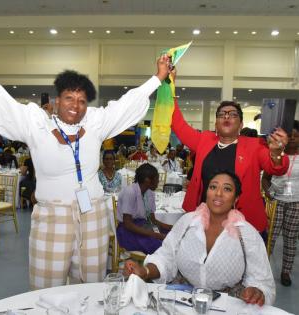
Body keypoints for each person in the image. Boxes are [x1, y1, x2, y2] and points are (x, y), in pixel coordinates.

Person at [0, 23, 171, 289]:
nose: (76, 105)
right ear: (56, 99)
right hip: (52, 218)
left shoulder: (96, 121)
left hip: (93, 215)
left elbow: (128, 103)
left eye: (82, 100)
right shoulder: (36, 123)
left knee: (90, 287)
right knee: (45, 289)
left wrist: (157, 77)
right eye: (69, 98)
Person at [124, 170, 275, 306]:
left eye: (227, 189)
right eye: (213, 187)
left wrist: (257, 292)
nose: (218, 193)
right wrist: (145, 271)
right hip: (182, 299)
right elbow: (166, 257)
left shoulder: (246, 234)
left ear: (236, 198)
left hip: (229, 303)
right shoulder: (188, 222)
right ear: (207, 192)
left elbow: (262, 280)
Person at [170, 74, 289, 234]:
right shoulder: (204, 139)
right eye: (221, 114)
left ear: (241, 124)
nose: (226, 116)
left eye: (233, 114)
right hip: (205, 220)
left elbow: (277, 169)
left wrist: (277, 153)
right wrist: (169, 85)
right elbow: (178, 124)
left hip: (243, 224)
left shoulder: (255, 146)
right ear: (216, 124)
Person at [262, 120, 299, 287]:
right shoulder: (275, 153)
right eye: (289, 136)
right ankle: (263, 270)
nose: (291, 139)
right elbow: (265, 178)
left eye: (295, 136)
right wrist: (268, 193)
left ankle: (286, 271)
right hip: (276, 201)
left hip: (296, 203)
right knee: (270, 237)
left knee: (290, 239)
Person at [116, 163, 165, 254]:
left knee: (169, 236)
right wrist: (154, 234)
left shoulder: (149, 193)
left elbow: (152, 220)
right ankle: (155, 265)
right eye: (156, 179)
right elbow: (127, 224)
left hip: (144, 226)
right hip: (128, 231)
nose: (158, 182)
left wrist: (171, 227)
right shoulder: (130, 192)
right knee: (159, 245)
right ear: (147, 180)